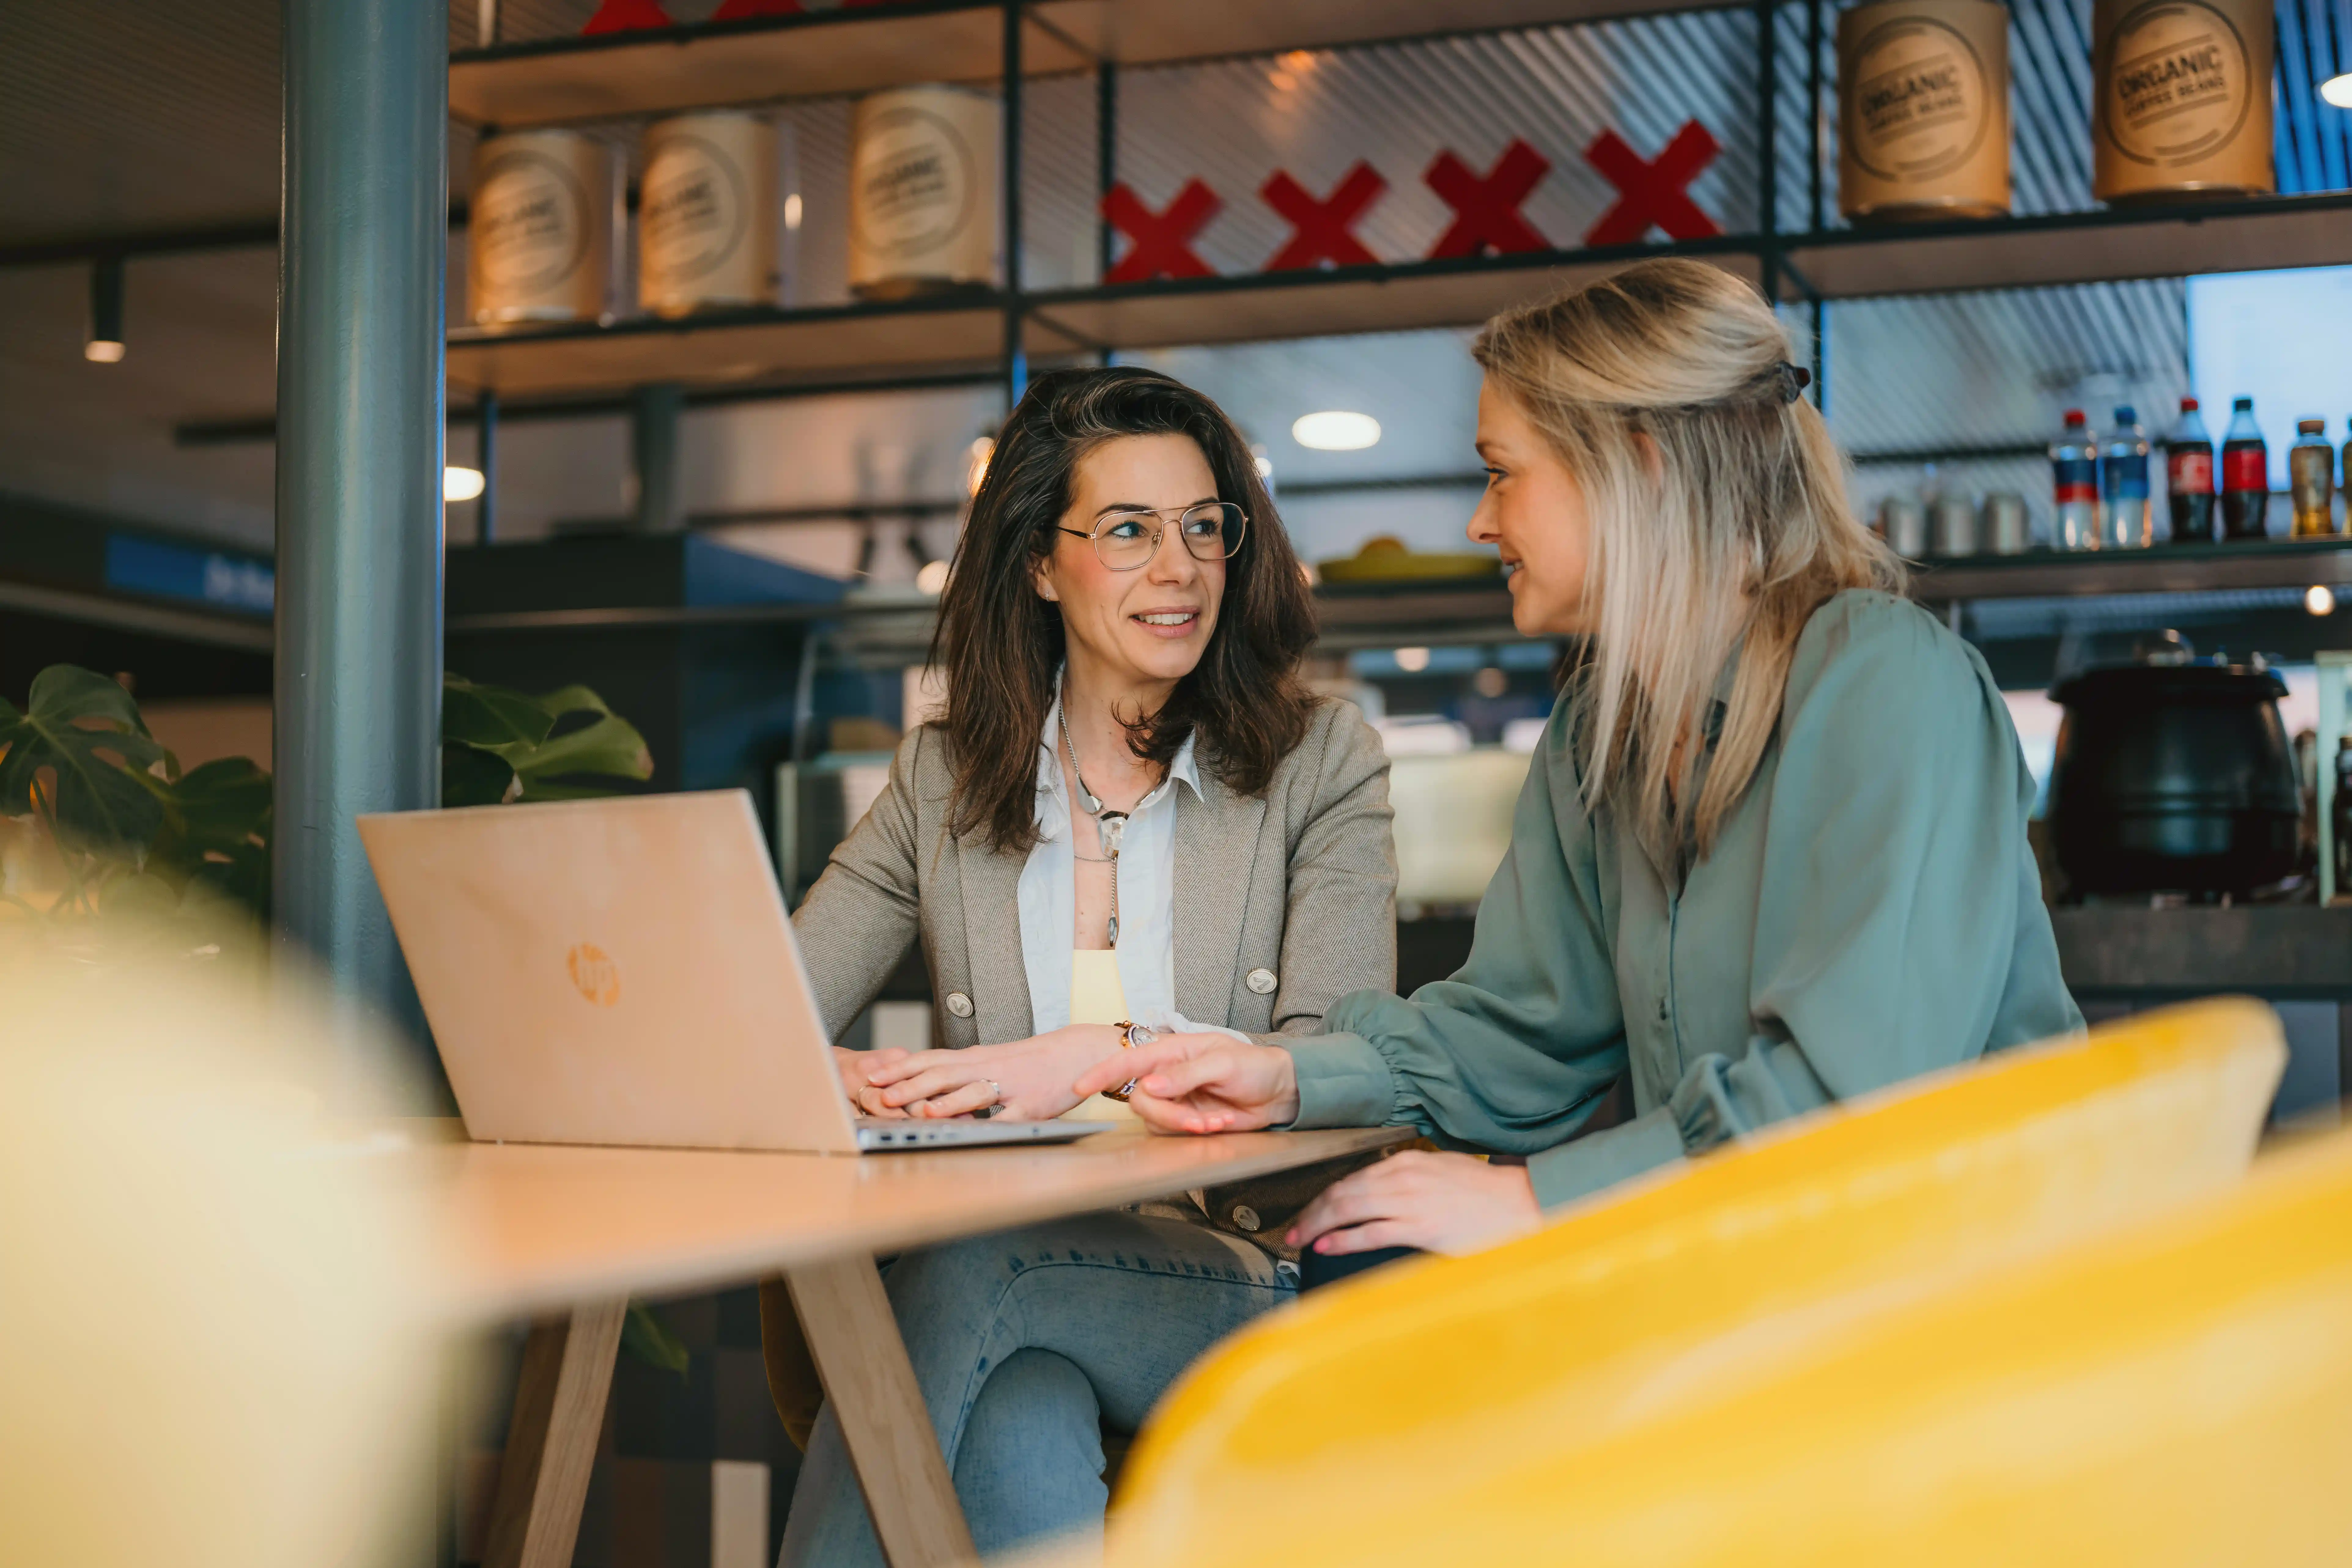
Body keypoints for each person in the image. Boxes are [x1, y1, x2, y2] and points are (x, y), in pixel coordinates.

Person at [1078, 257, 2083, 1269]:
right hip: (1753, 1291)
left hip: (1953, 1313)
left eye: (1501, 471)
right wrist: (1286, 1076)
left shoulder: (1884, 682)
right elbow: (1523, 1038)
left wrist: (1532, 1201)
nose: (1480, 521)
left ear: (1636, 465)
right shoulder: (1601, 729)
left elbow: (1854, 1108)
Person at [773, 366, 1397, 1563]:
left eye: (1204, 526)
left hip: (1243, 1281)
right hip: (1013, 1299)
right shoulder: (944, 780)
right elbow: (775, 1007)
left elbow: (1344, 1060)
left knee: (980, 1262)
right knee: (1022, 1409)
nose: (1182, 568)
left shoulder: (1322, 759)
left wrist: (1099, 1058)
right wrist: (836, 1072)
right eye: (1128, 530)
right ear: (1038, 564)